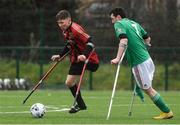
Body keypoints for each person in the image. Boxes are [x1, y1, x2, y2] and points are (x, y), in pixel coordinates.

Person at [109, 7, 173, 119]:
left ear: (118, 17)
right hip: (147, 59)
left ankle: (167, 112)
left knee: (147, 89)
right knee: (146, 87)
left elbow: (123, 40)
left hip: (139, 61)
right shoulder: (134, 23)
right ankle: (165, 111)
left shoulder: (119, 24)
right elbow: (148, 39)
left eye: (112, 19)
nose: (112, 22)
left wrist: (117, 58)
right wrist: (141, 46)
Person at [51, 10, 99, 113]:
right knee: (69, 82)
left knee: (71, 81)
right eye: (58, 23)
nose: (60, 25)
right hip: (77, 59)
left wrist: (84, 56)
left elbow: (90, 42)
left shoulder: (75, 29)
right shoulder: (66, 30)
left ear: (69, 20)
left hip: (89, 59)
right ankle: (81, 105)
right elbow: (70, 44)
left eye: (62, 22)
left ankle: (80, 105)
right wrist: (60, 56)